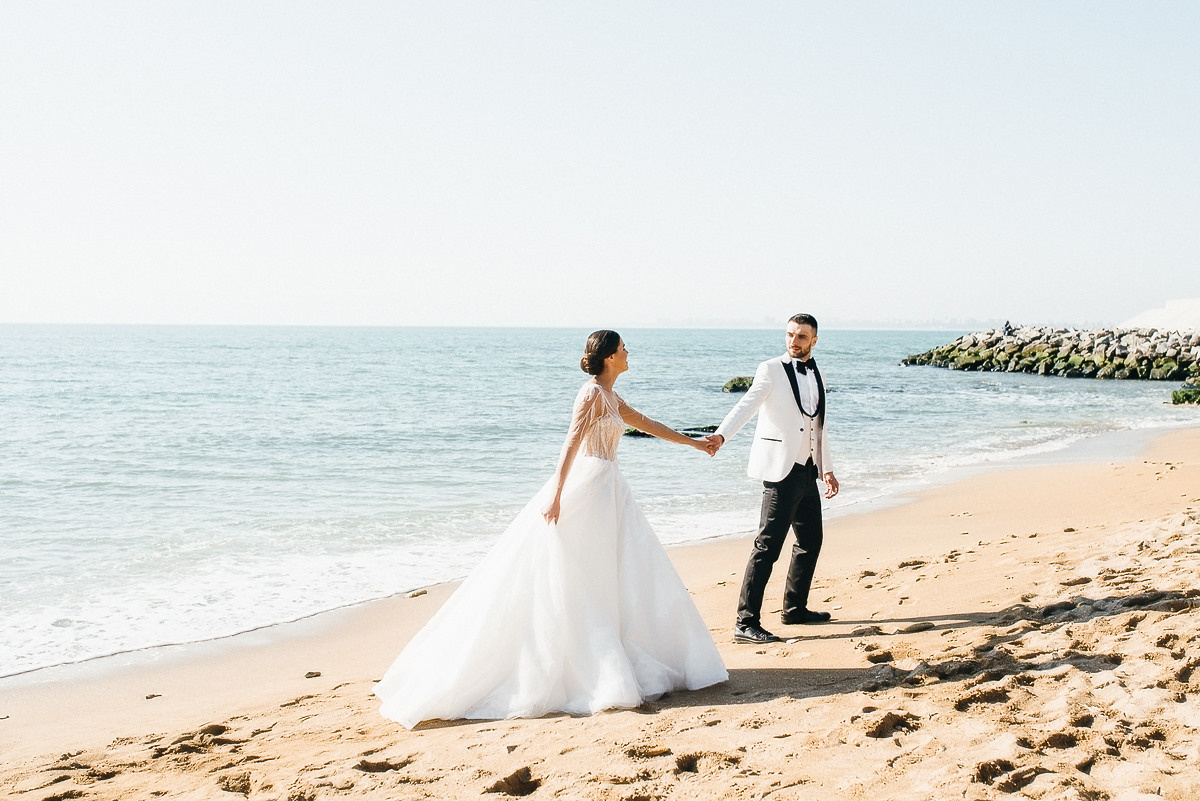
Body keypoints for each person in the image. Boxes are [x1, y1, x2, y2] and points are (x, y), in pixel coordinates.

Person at [375, 330, 728, 727]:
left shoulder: (611, 397)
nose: (629, 353)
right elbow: (572, 441)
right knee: (579, 572)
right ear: (610, 357)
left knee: (617, 572)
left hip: (611, 489)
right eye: (624, 348)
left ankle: (617, 657)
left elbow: (648, 424)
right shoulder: (591, 393)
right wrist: (557, 492)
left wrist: (696, 444)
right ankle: (586, 667)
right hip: (589, 487)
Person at [709, 314, 839, 645]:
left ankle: (794, 608)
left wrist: (826, 467)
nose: (794, 341)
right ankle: (745, 622)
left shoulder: (817, 371)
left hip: (808, 470)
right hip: (781, 472)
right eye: (790, 335)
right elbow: (746, 405)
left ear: (814, 340)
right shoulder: (770, 369)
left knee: (811, 541)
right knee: (767, 546)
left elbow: (818, 424)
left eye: (801, 336)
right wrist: (721, 436)